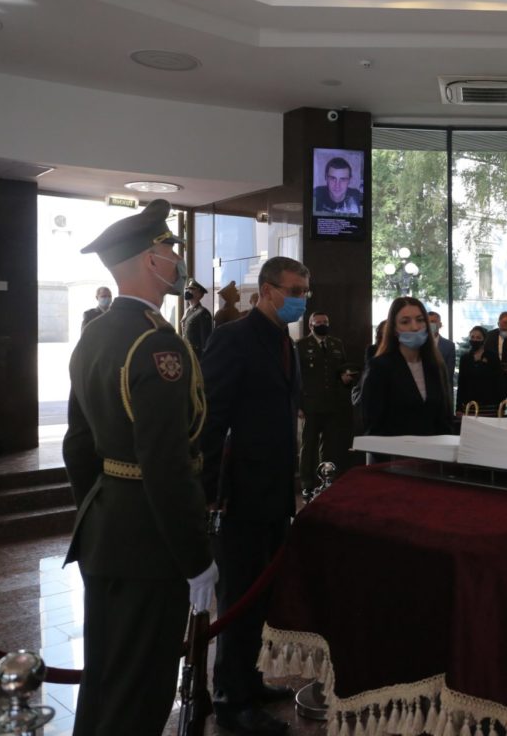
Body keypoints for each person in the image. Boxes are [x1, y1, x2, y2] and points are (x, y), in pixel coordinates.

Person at [61, 199, 216, 736]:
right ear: (153, 260)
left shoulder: (95, 335)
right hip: (151, 542)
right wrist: (196, 559)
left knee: (104, 678)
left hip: (105, 530)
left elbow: (77, 444)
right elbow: (167, 464)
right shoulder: (156, 343)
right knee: (141, 689)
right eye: (171, 250)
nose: (177, 261)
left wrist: (103, 508)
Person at [201, 256, 310, 735]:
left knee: (261, 597)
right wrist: (209, 493)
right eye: (294, 290)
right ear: (266, 291)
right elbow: (211, 420)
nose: (301, 299)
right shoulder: (233, 339)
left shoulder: (286, 343)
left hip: (275, 493)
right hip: (239, 495)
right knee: (237, 599)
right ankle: (230, 697)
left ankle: (251, 679)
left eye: (305, 291)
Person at [360, 297, 452, 453]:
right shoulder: (380, 367)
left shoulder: (436, 366)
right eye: (405, 322)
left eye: (420, 320)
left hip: (433, 457)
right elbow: (373, 424)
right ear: (394, 329)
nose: (415, 327)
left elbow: (444, 418)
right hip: (395, 457)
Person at [297, 312, 355, 500]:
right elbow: (297, 377)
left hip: (332, 403)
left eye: (325, 322)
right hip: (310, 405)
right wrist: (298, 404)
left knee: (329, 446)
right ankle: (307, 484)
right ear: (310, 325)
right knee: (308, 447)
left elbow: (342, 369)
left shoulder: (336, 344)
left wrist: (346, 377)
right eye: (318, 322)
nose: (322, 325)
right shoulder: (301, 345)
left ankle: (327, 481)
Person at [456, 326, 502, 414]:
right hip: (469, 404)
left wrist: (500, 405)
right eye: (472, 337)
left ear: (484, 340)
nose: (475, 340)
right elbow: (461, 383)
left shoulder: (492, 357)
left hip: (490, 404)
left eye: (478, 337)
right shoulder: (465, 358)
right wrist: (458, 407)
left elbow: (499, 381)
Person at [427, 310, 456, 407]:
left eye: (433, 321)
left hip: (442, 394)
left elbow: (449, 373)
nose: (431, 324)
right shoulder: (418, 344)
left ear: (440, 324)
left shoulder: (449, 346)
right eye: (428, 321)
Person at [180, 279, 214, 359]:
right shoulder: (188, 311)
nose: (188, 291)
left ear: (199, 294)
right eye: (187, 289)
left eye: (191, 289)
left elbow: (205, 340)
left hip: (197, 356)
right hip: (187, 353)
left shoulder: (203, 313)